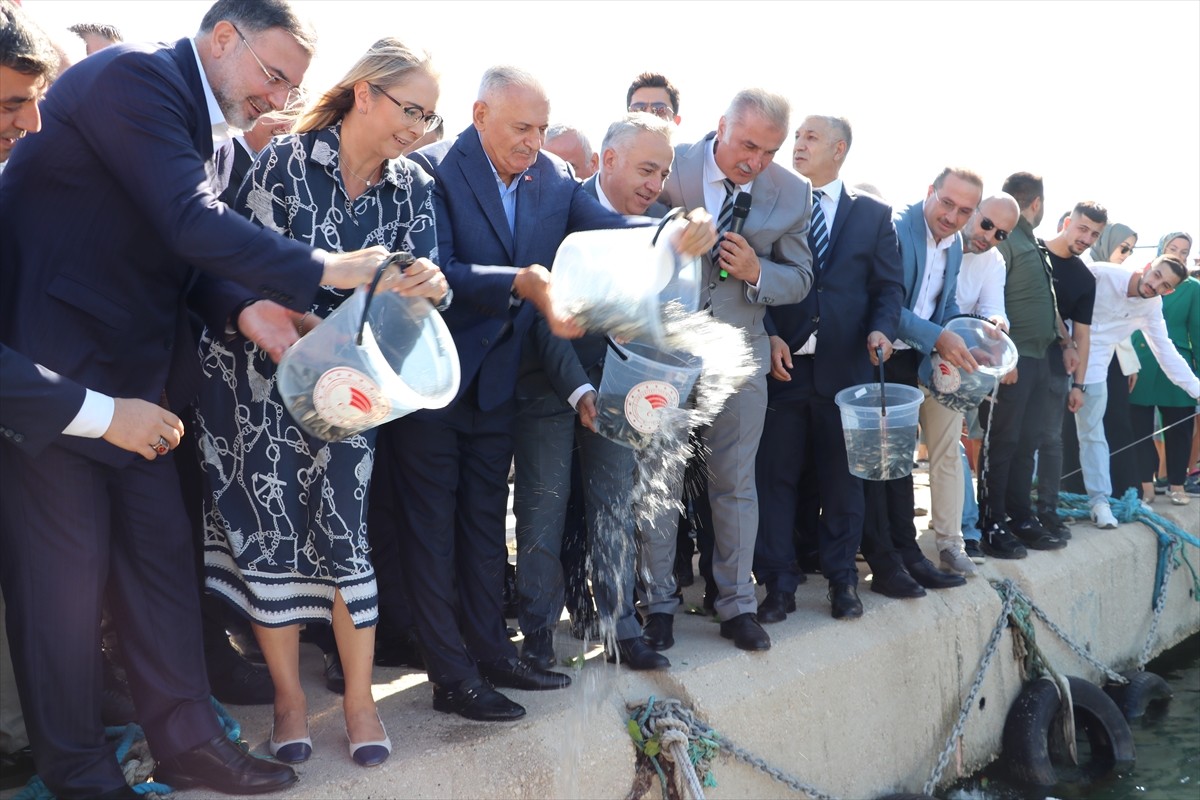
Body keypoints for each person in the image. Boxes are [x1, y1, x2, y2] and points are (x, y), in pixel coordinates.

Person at [0, 0, 400, 794]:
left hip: (142, 389)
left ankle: (189, 744)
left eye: (291, 87)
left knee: (161, 578)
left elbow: (185, 258)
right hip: (54, 381)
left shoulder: (210, 126)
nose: (279, 98)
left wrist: (248, 309)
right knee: (61, 598)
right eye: (273, 75)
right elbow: (188, 222)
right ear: (223, 38)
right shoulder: (135, 79)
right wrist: (327, 267)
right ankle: (79, 773)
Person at [378, 65, 710, 719]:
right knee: (433, 533)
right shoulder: (432, 170)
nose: (532, 142)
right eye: (520, 128)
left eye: (540, 128)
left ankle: (494, 654)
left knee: (483, 528)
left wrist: (670, 235)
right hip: (436, 379)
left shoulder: (552, 177)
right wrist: (520, 281)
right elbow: (436, 269)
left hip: (496, 388)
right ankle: (451, 676)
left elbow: (602, 232)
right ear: (479, 116)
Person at [198, 38, 448, 769]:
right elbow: (236, 271)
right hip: (258, 382)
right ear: (364, 94)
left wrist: (432, 287)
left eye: (429, 119)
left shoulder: (414, 186)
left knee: (345, 534)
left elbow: (421, 294)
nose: (418, 129)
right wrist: (307, 320)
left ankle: (361, 702)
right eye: (411, 110)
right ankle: (289, 700)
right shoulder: (282, 161)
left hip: (350, 391)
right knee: (271, 535)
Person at [638, 87, 813, 653]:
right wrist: (670, 243)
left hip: (741, 356)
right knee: (660, 481)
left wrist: (759, 271)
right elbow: (625, 227)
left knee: (736, 485)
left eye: (769, 152)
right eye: (747, 146)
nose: (756, 162)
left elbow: (802, 278)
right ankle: (658, 605)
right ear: (721, 127)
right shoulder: (670, 163)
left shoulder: (793, 192)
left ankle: (737, 604)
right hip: (664, 352)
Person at [753, 115, 902, 621]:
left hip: (847, 372)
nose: (798, 144)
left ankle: (843, 583)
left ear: (839, 149)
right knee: (774, 480)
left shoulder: (874, 215)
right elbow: (753, 276)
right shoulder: (773, 202)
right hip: (783, 367)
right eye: (796, 136)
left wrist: (882, 329)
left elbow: (888, 287)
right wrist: (768, 332)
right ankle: (778, 586)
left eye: (810, 137)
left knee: (844, 484)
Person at [858, 168, 982, 599]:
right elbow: (884, 302)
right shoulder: (894, 228)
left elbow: (944, 303)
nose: (952, 216)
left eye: (964, 211)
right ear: (930, 191)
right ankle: (884, 562)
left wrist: (960, 341)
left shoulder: (956, 243)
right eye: (947, 203)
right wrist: (939, 337)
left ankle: (908, 555)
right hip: (874, 355)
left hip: (911, 359)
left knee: (900, 465)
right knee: (877, 467)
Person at [976, 174, 1080, 558]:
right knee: (1001, 443)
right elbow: (986, 301)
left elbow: (1046, 301)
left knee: (1027, 442)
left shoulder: (1031, 242)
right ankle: (991, 521)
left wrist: (1066, 342)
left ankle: (1019, 516)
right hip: (1011, 363)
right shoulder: (1005, 240)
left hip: (1040, 359)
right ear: (1036, 202)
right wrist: (1002, 355)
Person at [1077, 255, 1200, 527]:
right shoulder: (1102, 273)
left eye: (1165, 285)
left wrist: (1197, 390)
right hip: (1061, 349)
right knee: (1046, 432)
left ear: (1170, 292)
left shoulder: (1152, 307)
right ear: (1146, 267)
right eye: (1156, 275)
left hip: (1095, 364)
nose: (1156, 285)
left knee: (1093, 433)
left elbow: (1166, 352)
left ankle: (1100, 501)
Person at [1027, 203, 1104, 538]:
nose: (1086, 238)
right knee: (1014, 438)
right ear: (1068, 222)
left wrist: (1079, 385)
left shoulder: (1086, 278)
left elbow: (1082, 335)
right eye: (1083, 228)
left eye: (1094, 234)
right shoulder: (1032, 250)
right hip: (1020, 355)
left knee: (1051, 439)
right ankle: (1012, 510)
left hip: (1056, 365)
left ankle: (1047, 510)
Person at [949, 193, 1019, 567]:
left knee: (951, 447)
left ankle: (967, 532)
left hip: (952, 358)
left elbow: (994, 308)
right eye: (987, 224)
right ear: (972, 211)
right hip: (906, 347)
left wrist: (996, 324)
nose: (989, 236)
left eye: (1000, 234)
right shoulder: (938, 238)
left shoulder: (993, 260)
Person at [1130, 233, 1198, 506]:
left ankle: (1177, 483)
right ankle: (1145, 483)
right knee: (1139, 426)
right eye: (1173, 248)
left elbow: (1198, 332)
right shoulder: (1144, 279)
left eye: (1184, 251)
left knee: (1180, 427)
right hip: (1141, 362)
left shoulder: (1193, 288)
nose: (1178, 255)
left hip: (1178, 363)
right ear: (1161, 249)